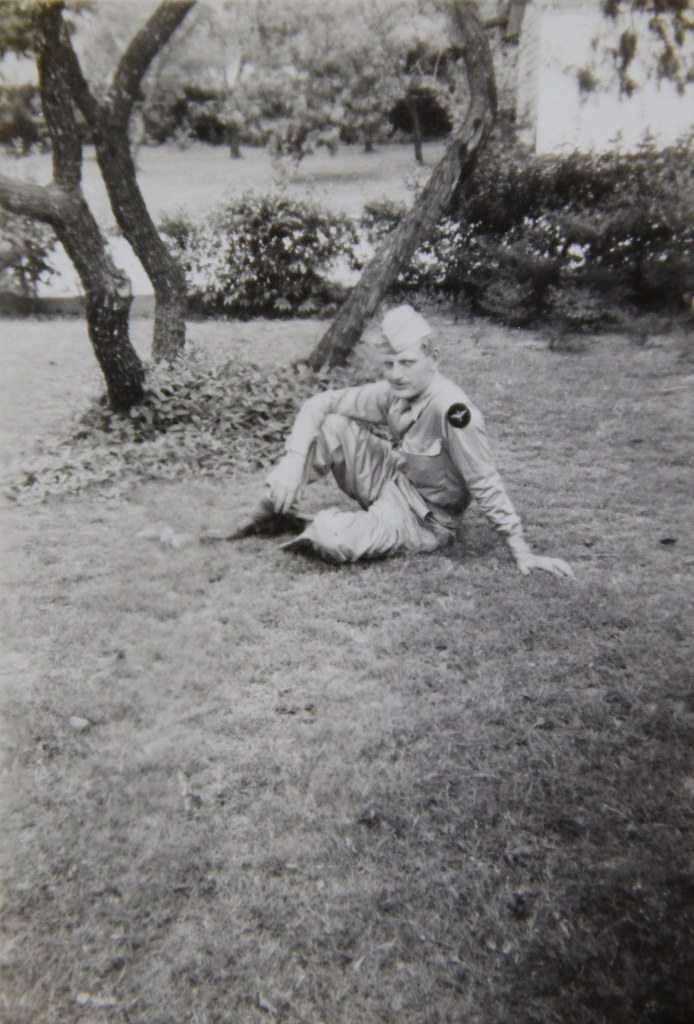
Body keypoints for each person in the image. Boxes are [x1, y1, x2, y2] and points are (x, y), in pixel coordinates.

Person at [224, 305, 574, 577]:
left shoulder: (452, 410)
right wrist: (292, 461)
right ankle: (269, 513)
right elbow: (318, 403)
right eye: (389, 364)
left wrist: (521, 550)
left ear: (433, 360)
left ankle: (307, 523)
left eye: (407, 363)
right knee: (332, 424)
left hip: (425, 519)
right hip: (393, 479)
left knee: (331, 538)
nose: (396, 374)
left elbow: (484, 481)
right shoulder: (393, 392)